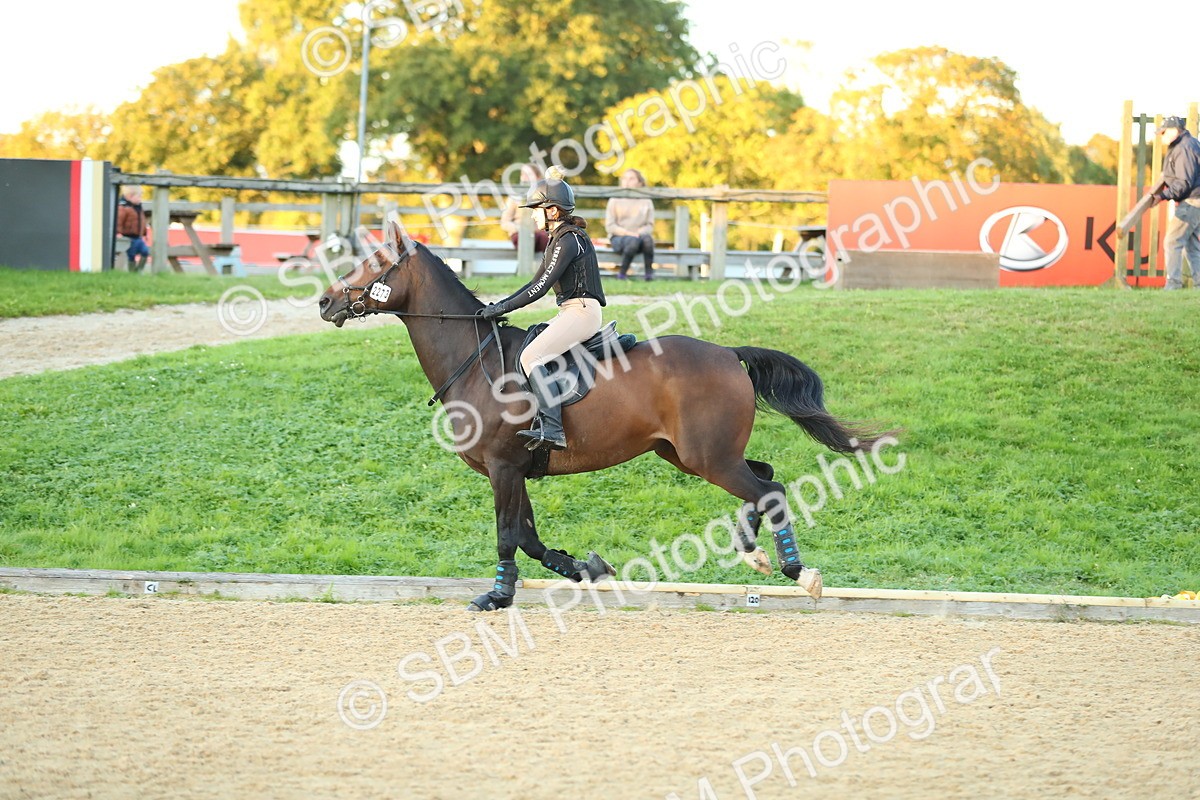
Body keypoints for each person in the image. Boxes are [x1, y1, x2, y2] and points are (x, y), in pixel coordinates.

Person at [481, 166, 606, 451]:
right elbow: (533, 282)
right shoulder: (559, 240)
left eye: (536, 209)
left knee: (530, 356)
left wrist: (500, 309)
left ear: (552, 211)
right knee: (534, 342)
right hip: (570, 311)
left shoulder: (569, 240)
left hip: (582, 312)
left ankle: (553, 429)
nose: (533, 214)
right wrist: (498, 306)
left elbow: (539, 288)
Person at [1151, 116, 1200, 290]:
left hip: (1192, 201)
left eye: (1163, 132)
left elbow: (1184, 182)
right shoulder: (1190, 144)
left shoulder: (1184, 148)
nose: (1161, 136)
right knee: (1192, 245)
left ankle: (1173, 284)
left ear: (1174, 131)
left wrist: (1163, 196)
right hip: (1196, 201)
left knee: (1172, 241)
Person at [604, 168, 656, 280]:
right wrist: (628, 233)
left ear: (639, 182)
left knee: (648, 240)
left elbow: (649, 225)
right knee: (633, 241)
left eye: (631, 179)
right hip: (619, 238)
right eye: (625, 178)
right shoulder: (614, 199)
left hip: (639, 237)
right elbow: (610, 226)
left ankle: (649, 275)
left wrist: (639, 232)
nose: (627, 181)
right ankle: (622, 274)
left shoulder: (646, 201)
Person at [499, 164, 549, 254]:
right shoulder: (514, 197)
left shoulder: (544, 196)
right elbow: (505, 222)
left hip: (539, 234)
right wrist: (519, 229)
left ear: (537, 177)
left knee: (547, 239)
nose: (524, 177)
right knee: (525, 238)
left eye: (528, 174)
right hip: (519, 233)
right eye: (523, 174)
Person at [116, 186, 150, 271]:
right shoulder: (123, 208)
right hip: (128, 237)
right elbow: (119, 222)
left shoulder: (138, 207)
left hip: (138, 237)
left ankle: (139, 270)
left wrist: (145, 233)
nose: (140, 199)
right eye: (139, 196)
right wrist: (118, 233)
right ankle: (132, 271)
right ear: (130, 196)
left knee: (145, 251)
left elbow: (142, 221)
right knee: (131, 255)